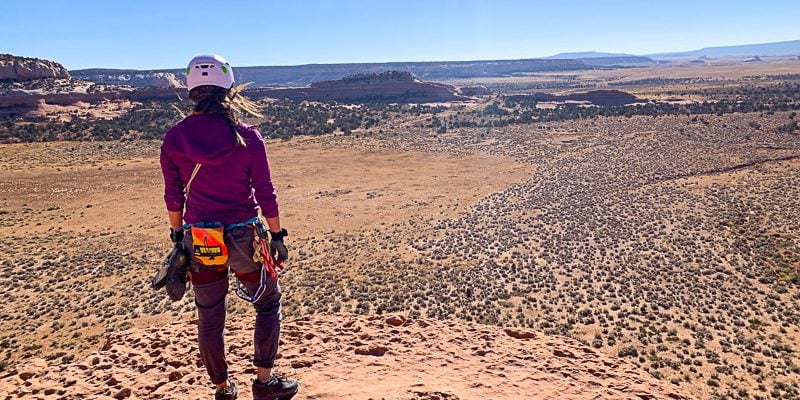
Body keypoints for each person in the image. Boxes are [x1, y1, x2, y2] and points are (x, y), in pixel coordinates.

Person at [160, 54, 299, 400]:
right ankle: (265, 383)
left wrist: (179, 238)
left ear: (192, 91)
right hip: (244, 237)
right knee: (267, 303)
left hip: (201, 237)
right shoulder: (247, 136)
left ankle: (223, 389)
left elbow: (173, 197)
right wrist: (278, 235)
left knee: (209, 315)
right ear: (229, 89)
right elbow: (266, 193)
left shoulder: (174, 138)